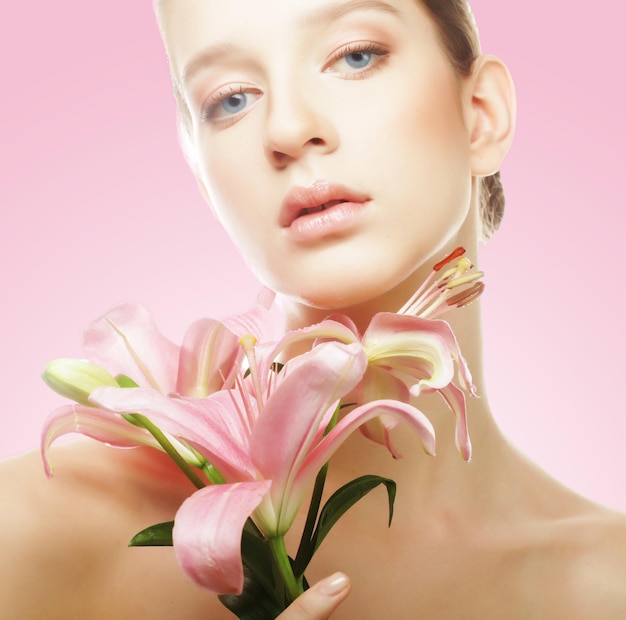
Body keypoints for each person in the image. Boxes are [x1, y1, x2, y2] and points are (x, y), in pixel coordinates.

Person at [2, 0, 626, 618]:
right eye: (232, 99)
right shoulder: (35, 532)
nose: (286, 129)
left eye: (356, 56)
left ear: (481, 117)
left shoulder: (609, 584)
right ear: (200, 173)